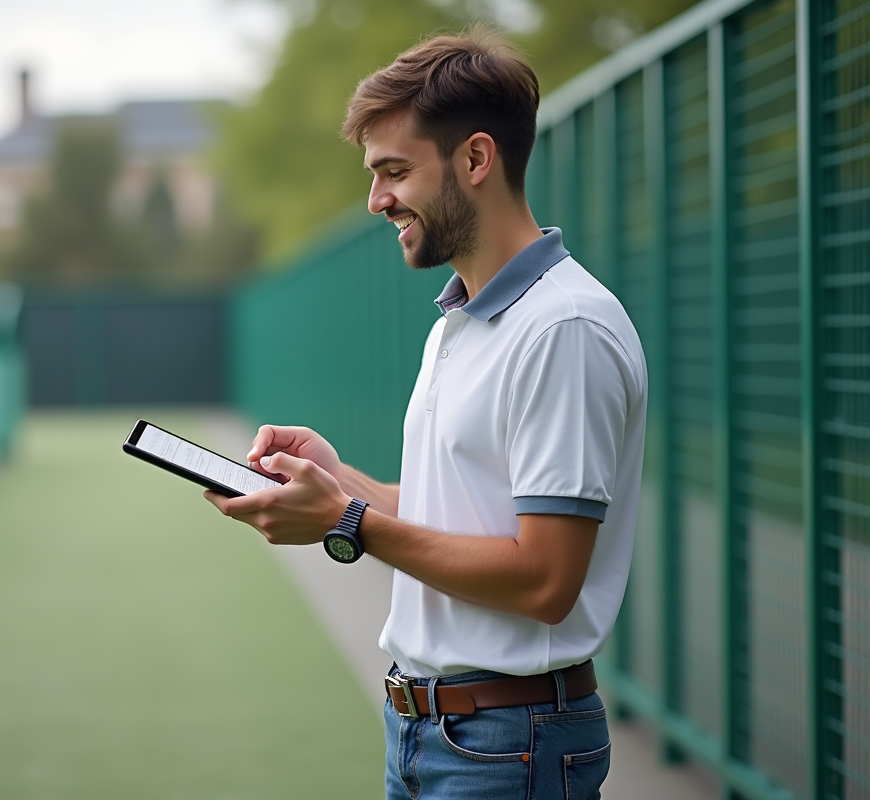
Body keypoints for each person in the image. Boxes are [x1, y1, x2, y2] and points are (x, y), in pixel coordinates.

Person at [205, 28, 648, 800]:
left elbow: (545, 579)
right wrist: (340, 482)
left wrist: (346, 521)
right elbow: (464, 520)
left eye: (395, 171)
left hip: (510, 744)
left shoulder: (564, 327)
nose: (377, 200)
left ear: (475, 159)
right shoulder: (457, 323)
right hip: (429, 734)